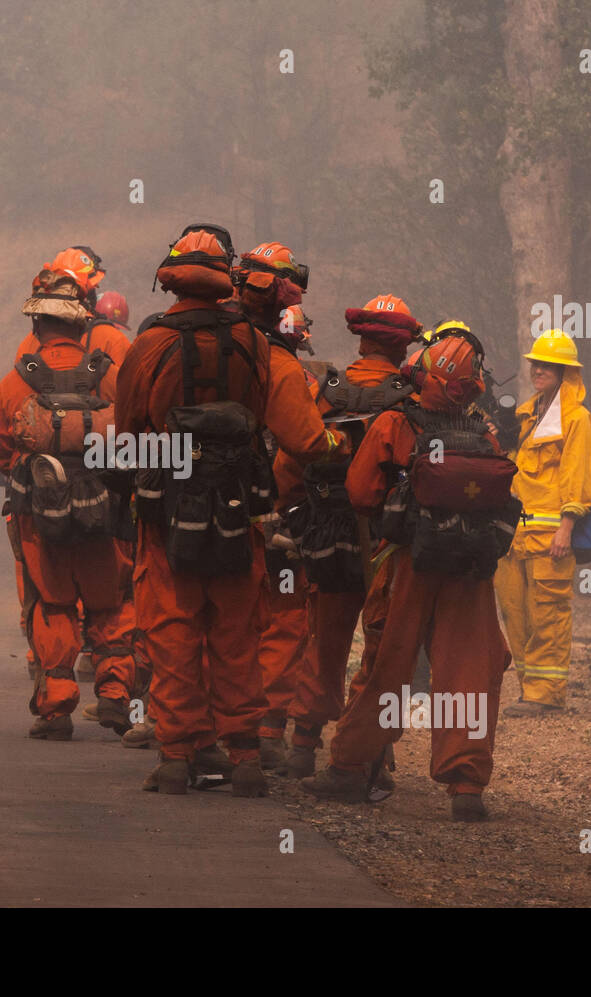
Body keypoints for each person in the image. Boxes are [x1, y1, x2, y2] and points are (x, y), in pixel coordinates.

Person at [302, 330, 515, 822]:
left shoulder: (397, 422)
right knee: (469, 673)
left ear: (422, 374)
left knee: (386, 668)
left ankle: (350, 769)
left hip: (407, 563)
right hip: (471, 570)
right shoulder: (484, 431)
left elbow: (359, 493)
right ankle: (466, 786)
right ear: (475, 385)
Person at [114, 226, 275, 796]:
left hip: (166, 509)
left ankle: (178, 756)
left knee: (173, 628)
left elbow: (128, 425)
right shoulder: (254, 342)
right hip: (237, 504)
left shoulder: (150, 344)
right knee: (236, 631)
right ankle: (247, 755)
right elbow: (262, 411)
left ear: (173, 276)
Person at [0, 255, 140, 741]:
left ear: (37, 323)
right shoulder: (107, 372)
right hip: (105, 510)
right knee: (110, 601)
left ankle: (56, 709)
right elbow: (137, 430)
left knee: (53, 603)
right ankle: (116, 698)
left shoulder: (19, 378)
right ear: (83, 325)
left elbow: (0, 449)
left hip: (42, 517)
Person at [275, 295, 422, 778]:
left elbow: (292, 458)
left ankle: (302, 744)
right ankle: (371, 753)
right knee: (381, 647)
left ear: (361, 339)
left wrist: (293, 515)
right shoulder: (411, 398)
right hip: (387, 539)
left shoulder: (328, 390)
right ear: (402, 348)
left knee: (325, 639)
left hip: (327, 534)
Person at [231, 244, 347, 772]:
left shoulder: (213, 355)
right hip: (279, 526)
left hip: (216, 517)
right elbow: (309, 447)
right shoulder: (292, 375)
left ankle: (197, 732)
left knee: (225, 621)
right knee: (283, 627)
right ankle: (266, 729)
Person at [495, 329, 591, 716]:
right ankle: (529, 689)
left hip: (551, 536)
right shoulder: (526, 416)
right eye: (536, 363)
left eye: (548, 365)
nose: (539, 369)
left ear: (566, 372)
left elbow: (578, 478)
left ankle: (546, 695)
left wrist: (567, 528)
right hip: (516, 535)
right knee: (515, 613)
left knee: (548, 615)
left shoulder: (577, 420)